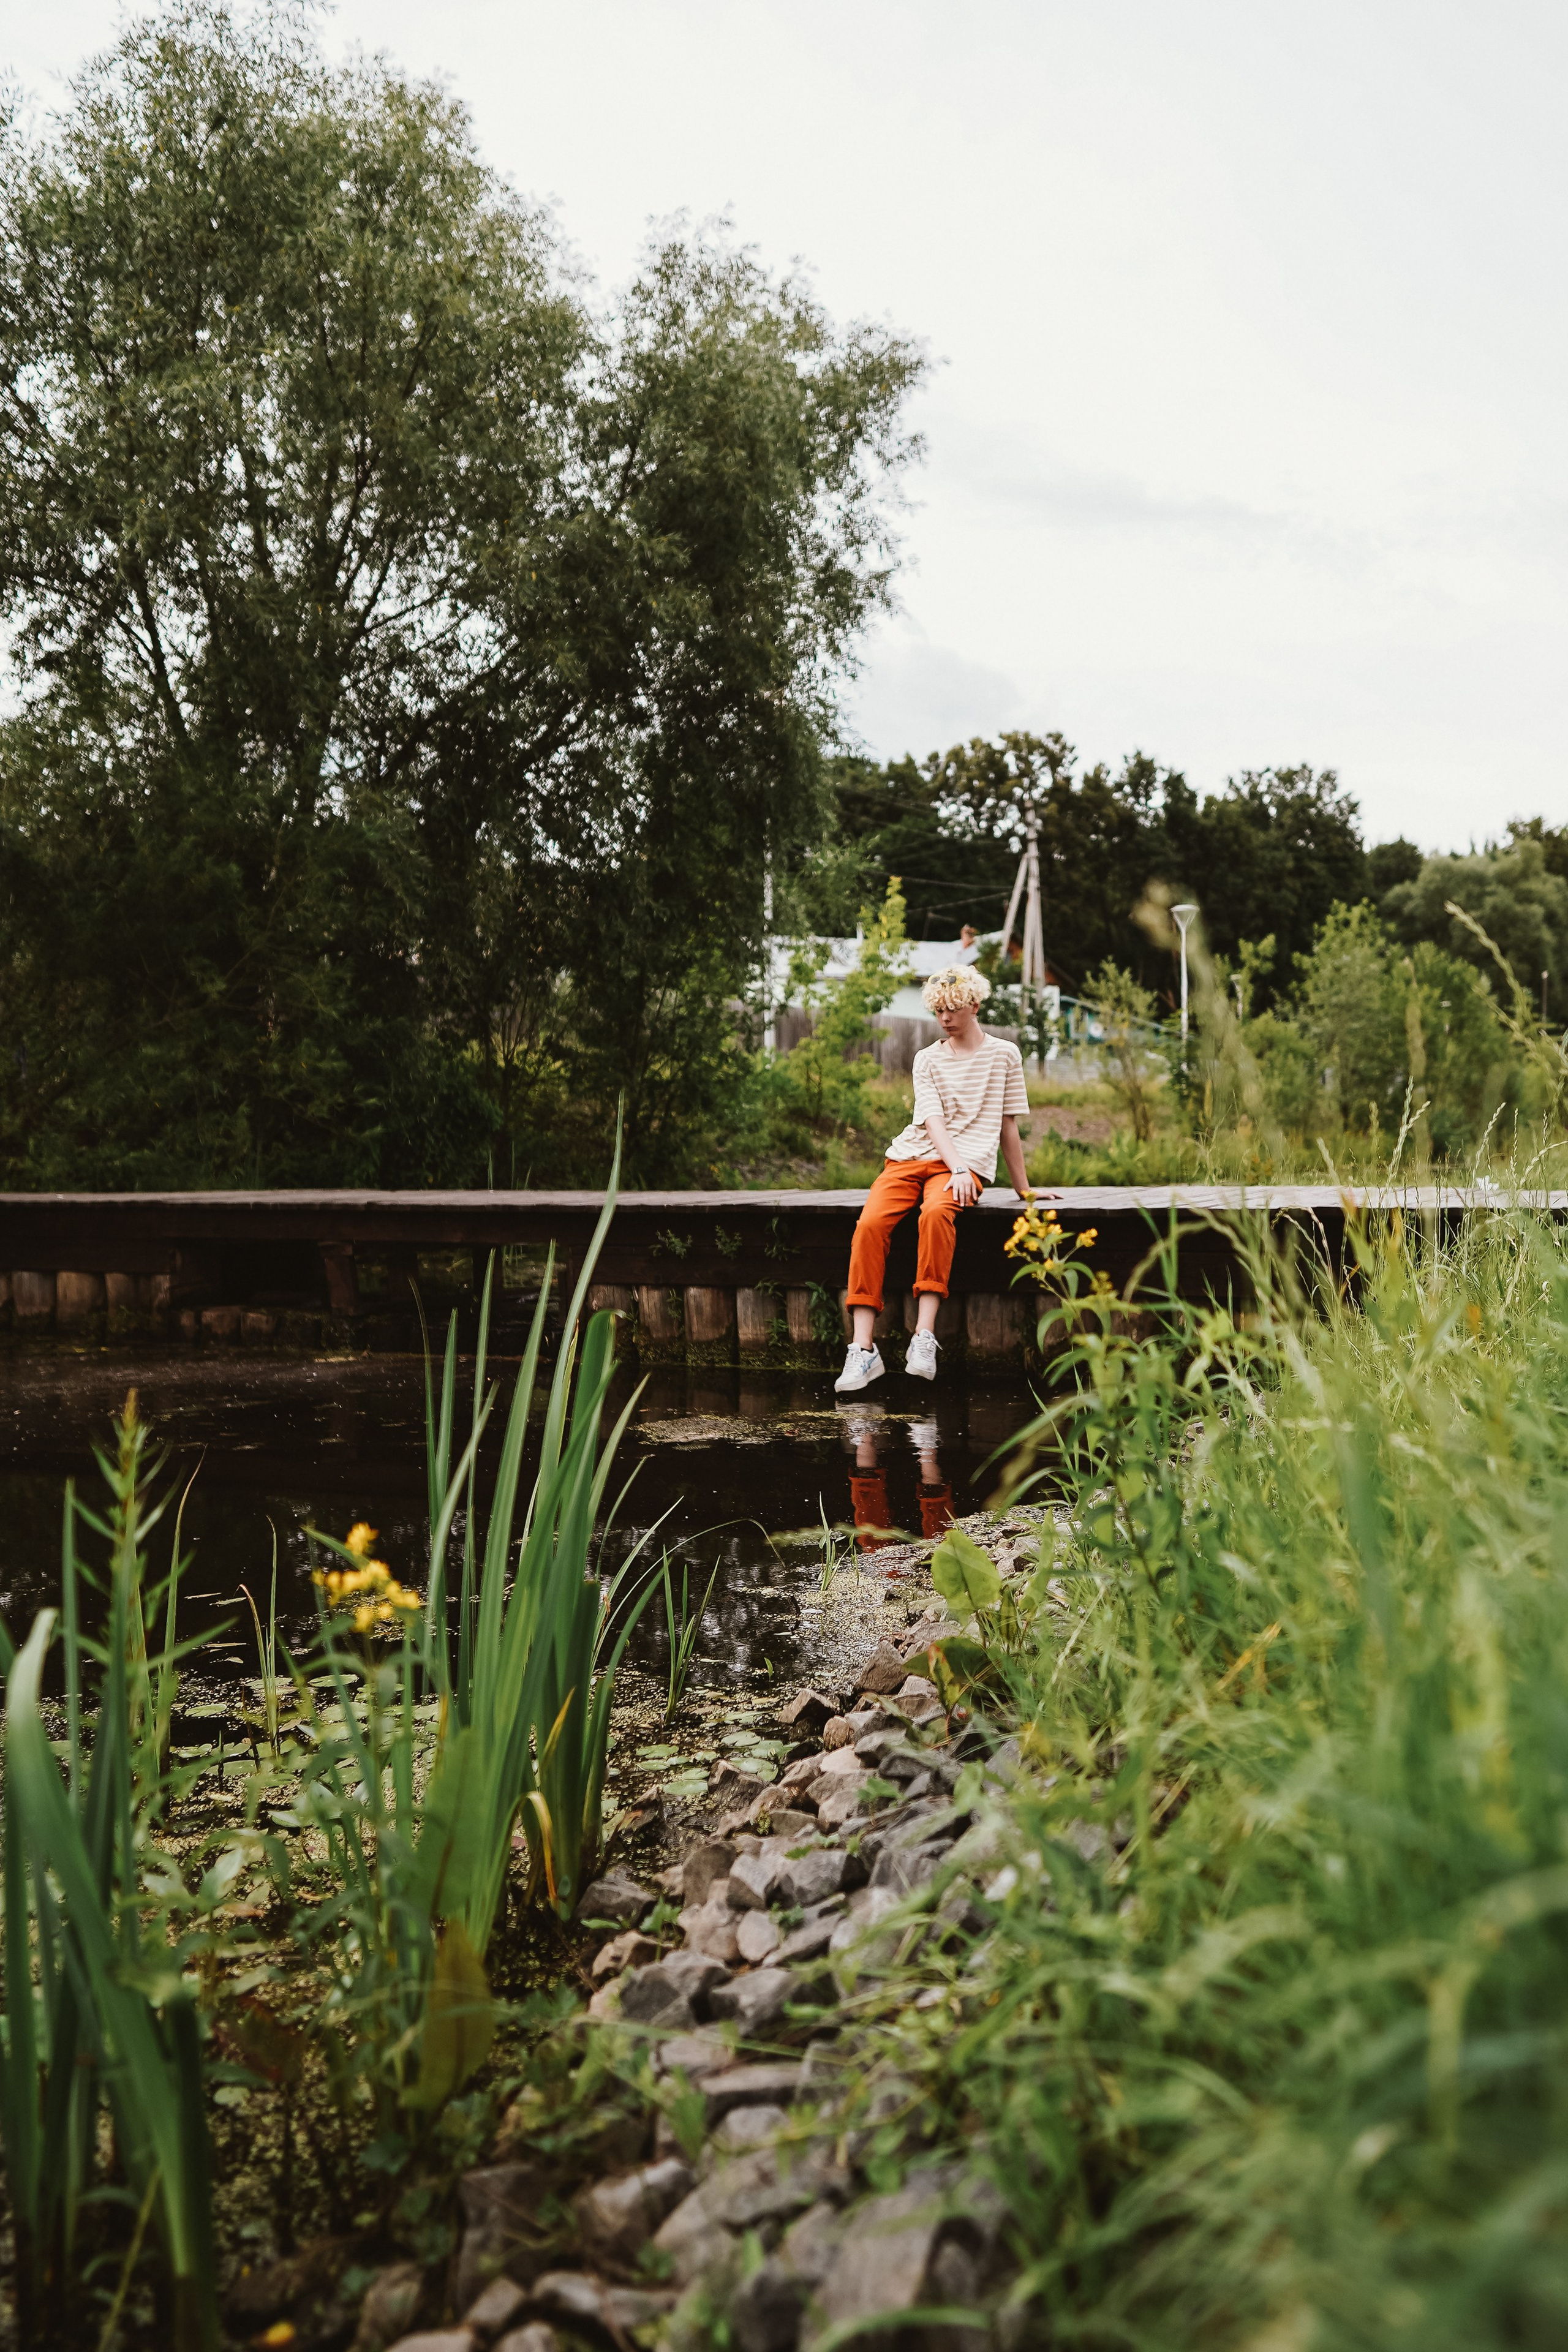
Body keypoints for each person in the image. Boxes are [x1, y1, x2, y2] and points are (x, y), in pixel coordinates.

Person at [835, 962, 1041, 1393]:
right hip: (911, 1158)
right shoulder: (926, 1058)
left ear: (975, 1005)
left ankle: (923, 1338)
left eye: (953, 1009)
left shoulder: (1004, 1054)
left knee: (935, 1215)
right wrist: (959, 1167)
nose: (945, 1018)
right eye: (938, 1011)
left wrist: (1023, 1188)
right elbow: (931, 1121)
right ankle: (862, 1350)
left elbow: (1008, 1126)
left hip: (965, 1166)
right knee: (870, 1225)